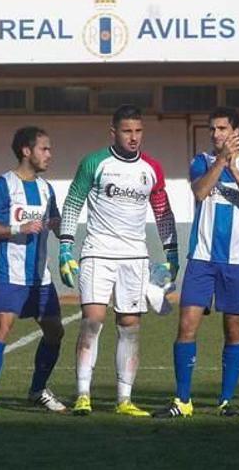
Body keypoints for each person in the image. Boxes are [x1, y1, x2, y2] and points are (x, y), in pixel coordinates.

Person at [58, 105, 177, 417]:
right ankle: (83, 394)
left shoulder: (152, 168)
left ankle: (124, 400)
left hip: (135, 257)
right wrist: (65, 250)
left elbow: (163, 211)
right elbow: (72, 203)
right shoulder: (95, 162)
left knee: (130, 326)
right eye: (127, 131)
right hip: (98, 251)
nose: (134, 137)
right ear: (113, 132)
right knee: (92, 320)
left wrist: (172, 255)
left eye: (138, 131)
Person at [154, 107, 239, 419]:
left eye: (222, 128)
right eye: (212, 129)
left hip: (238, 261)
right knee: (187, 325)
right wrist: (220, 162)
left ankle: (226, 400)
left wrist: (234, 167)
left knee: (233, 330)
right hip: (201, 259)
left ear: (236, 132)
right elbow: (200, 191)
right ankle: (183, 400)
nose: (216, 134)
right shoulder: (201, 161)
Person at [0, 126, 70, 416]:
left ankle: (38, 390)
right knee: (2, 330)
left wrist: (63, 233)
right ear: (26, 151)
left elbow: (54, 222)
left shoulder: (46, 189)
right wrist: (19, 228)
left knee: (55, 331)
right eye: (44, 148)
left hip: (40, 277)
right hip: (11, 273)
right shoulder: (2, 185)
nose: (49, 155)